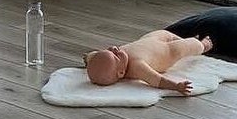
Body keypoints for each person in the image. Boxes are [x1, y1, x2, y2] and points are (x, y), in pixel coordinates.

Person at [83, 31, 213, 94]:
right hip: (167, 52)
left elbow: (96, 57)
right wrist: (176, 86)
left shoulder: (109, 60)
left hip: (148, 40)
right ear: (121, 72)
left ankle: (183, 39)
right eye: (115, 55)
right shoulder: (137, 67)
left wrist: (89, 57)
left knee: (165, 33)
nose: (114, 48)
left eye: (109, 50)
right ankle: (202, 45)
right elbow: (157, 80)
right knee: (186, 47)